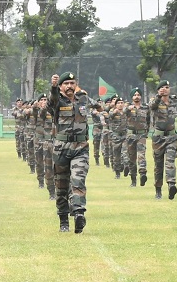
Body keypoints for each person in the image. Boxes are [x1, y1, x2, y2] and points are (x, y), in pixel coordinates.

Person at [48, 71, 100, 234]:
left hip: (80, 148)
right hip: (61, 148)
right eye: (66, 84)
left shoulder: (83, 99)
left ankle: (78, 213)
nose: (69, 86)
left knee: (78, 180)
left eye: (72, 83)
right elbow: (52, 100)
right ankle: (63, 219)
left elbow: (99, 106)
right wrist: (54, 87)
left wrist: (98, 109)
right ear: (62, 86)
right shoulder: (57, 100)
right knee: (61, 187)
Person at [150, 80, 177, 200]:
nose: (165, 89)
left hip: (171, 137)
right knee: (158, 165)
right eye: (162, 88)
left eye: (167, 87)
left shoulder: (174, 101)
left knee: (170, 161)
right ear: (158, 90)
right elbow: (152, 107)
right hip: (158, 138)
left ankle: (171, 184)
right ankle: (158, 189)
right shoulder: (155, 101)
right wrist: (158, 96)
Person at [123, 87, 150, 187]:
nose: (137, 96)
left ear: (141, 96)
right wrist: (128, 109)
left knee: (141, 155)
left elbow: (148, 120)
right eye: (135, 95)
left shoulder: (146, 107)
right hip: (131, 135)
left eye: (138, 95)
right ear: (132, 97)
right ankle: (133, 179)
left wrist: (147, 131)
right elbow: (123, 113)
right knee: (131, 158)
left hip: (141, 135)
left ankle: (143, 173)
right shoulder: (128, 107)